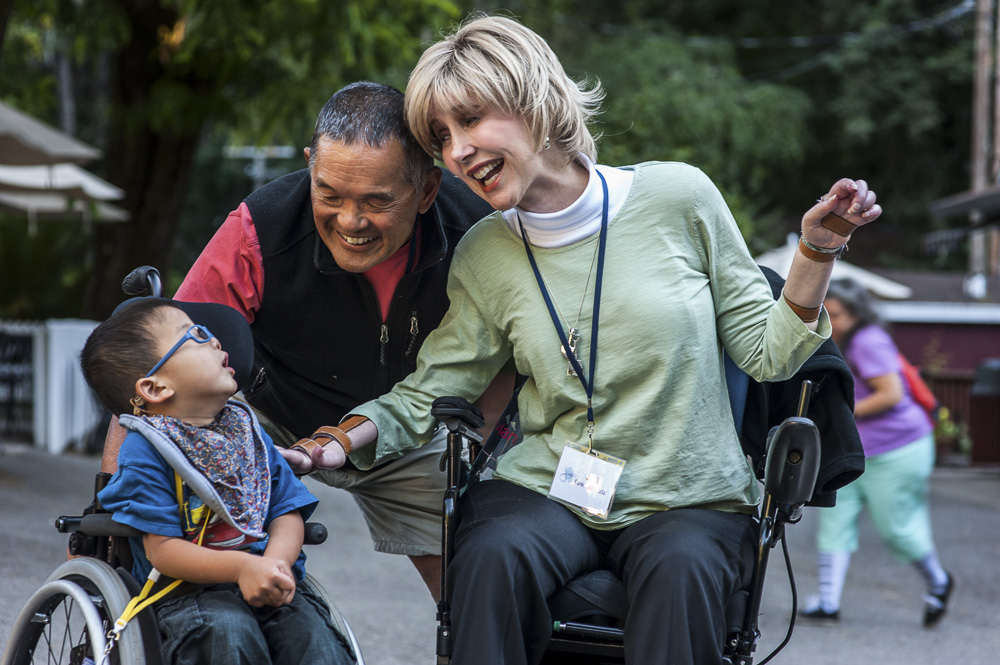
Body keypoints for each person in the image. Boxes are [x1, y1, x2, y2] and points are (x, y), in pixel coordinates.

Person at [286, 15, 882, 663]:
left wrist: (817, 253)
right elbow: (433, 386)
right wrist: (335, 443)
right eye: (442, 136)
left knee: (682, 570)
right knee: (489, 552)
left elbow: (772, 354)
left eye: (471, 119)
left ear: (533, 99)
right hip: (550, 489)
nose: (456, 150)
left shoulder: (679, 196)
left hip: (689, 493)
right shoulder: (485, 250)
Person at [165, 81, 495, 600]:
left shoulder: (479, 231)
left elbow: (508, 362)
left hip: (413, 427)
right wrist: (107, 506)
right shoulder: (260, 227)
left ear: (428, 190)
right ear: (310, 165)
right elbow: (165, 359)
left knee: (478, 591)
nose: (350, 221)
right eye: (329, 194)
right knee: (191, 542)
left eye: (376, 201)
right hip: (276, 419)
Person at [81, 297, 354, 664]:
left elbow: (286, 510)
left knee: (316, 641)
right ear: (156, 388)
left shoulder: (247, 433)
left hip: (270, 581)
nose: (212, 339)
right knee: (227, 633)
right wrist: (243, 568)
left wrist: (275, 565)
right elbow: (163, 550)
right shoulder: (147, 451)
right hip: (188, 593)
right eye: (193, 335)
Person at [800, 278, 953, 628]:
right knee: (834, 520)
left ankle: (939, 582)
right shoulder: (833, 340)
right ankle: (827, 602)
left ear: (856, 315)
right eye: (825, 311)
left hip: (898, 449)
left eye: (836, 313)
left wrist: (837, 415)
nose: (829, 319)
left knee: (897, 529)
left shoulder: (868, 340)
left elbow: (891, 394)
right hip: (856, 451)